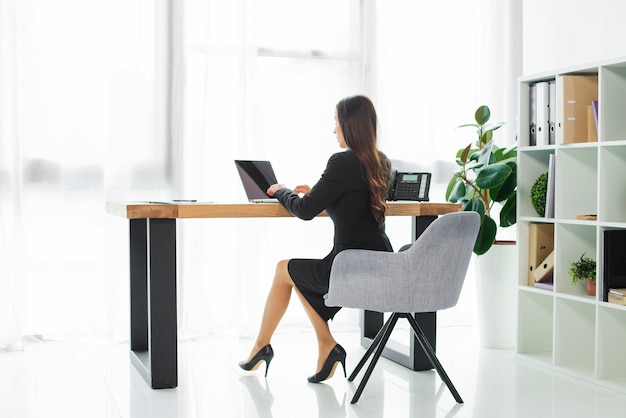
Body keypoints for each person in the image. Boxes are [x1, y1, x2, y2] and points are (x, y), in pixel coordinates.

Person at [238, 95, 393, 383]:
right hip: (381, 263)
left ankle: (262, 346)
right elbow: (354, 201)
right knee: (297, 277)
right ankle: (326, 346)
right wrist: (320, 192)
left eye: (336, 122)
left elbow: (304, 211)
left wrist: (282, 190)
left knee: (284, 270)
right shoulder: (381, 161)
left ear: (350, 124)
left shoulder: (343, 160)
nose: (333, 130)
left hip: (349, 267)